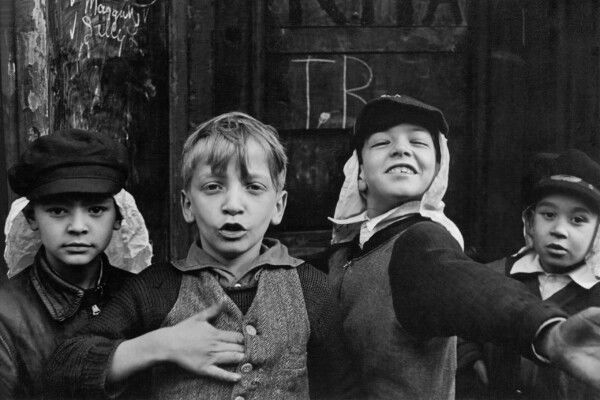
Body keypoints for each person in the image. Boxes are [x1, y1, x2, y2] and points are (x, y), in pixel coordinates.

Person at [45, 112, 356, 400]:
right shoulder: (156, 289)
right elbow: (64, 367)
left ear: (278, 206)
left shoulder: (311, 289)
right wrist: (158, 345)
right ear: (187, 205)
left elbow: (341, 388)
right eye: (213, 187)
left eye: (253, 187)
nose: (233, 204)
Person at [327, 94, 600, 399]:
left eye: (418, 142)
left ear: (437, 169)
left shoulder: (420, 241)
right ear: (359, 172)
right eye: (381, 143)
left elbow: (467, 284)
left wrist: (547, 331)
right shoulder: (344, 252)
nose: (401, 148)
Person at [0, 129, 153, 400]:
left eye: (95, 210)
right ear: (32, 218)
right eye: (58, 210)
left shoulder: (145, 296)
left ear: (118, 217)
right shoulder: (6, 315)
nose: (78, 227)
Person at [457, 149, 600, 400]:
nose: (559, 230)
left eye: (577, 219)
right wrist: (469, 356)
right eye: (549, 215)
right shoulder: (493, 275)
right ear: (530, 221)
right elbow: (458, 321)